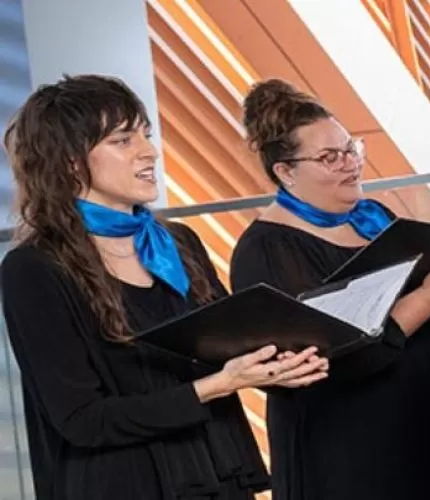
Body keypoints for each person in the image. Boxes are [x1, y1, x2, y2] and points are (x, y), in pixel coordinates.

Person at [0, 74, 327, 499]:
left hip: (215, 472)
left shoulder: (178, 242)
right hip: (121, 485)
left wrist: (285, 362)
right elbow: (83, 420)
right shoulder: (32, 268)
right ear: (70, 161)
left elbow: (232, 346)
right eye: (122, 140)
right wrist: (220, 384)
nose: (149, 151)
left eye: (146, 135)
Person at [228, 79, 430, 499]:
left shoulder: (374, 217)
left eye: (351, 150)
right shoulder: (266, 250)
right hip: (349, 447)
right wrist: (427, 298)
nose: (350, 165)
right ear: (285, 171)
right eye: (330, 158)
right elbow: (323, 362)